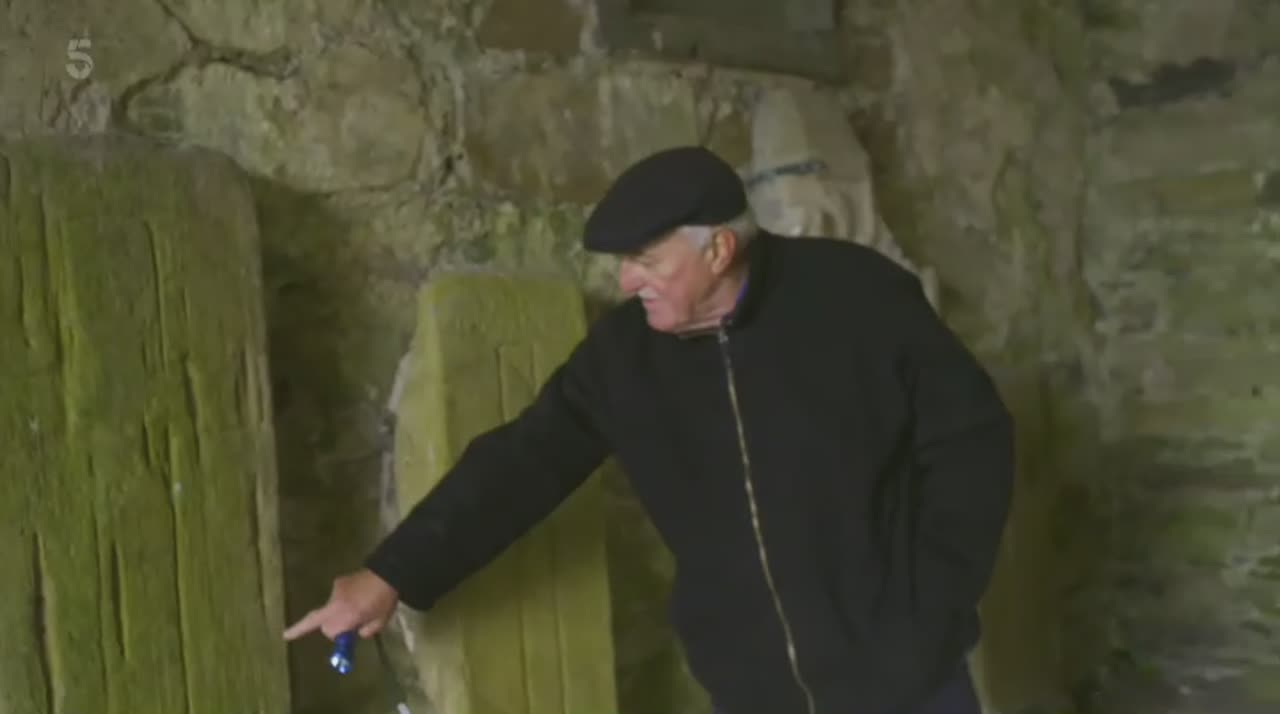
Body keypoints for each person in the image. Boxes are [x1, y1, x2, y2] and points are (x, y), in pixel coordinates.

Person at [283, 146, 1014, 714]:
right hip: (755, 697)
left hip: (909, 688)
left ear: (718, 251)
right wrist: (392, 574)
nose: (627, 282)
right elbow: (521, 463)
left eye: (645, 260)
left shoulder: (858, 297)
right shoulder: (624, 358)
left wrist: (930, 606)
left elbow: (972, 441)